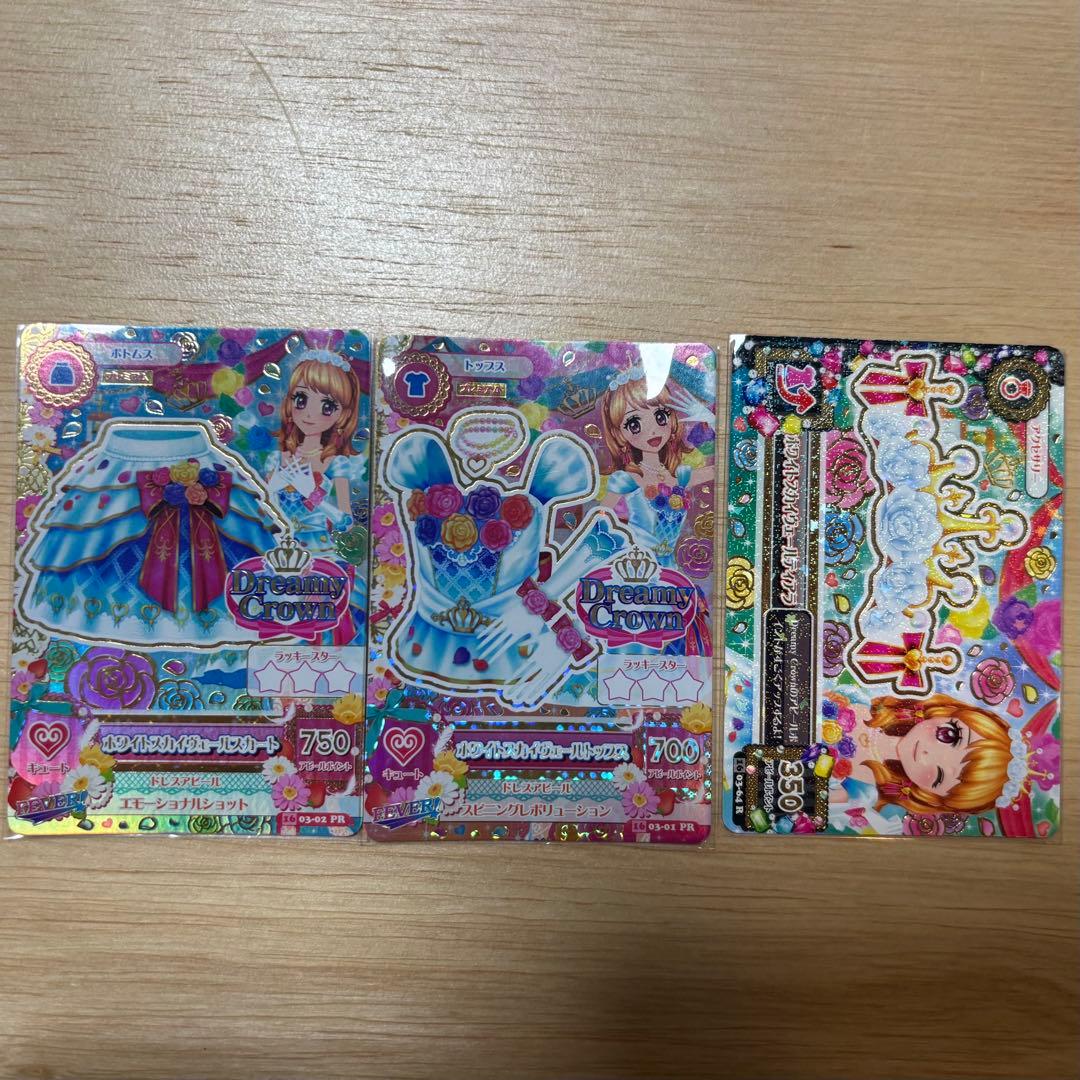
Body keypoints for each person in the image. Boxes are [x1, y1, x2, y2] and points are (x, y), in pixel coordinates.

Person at [849, 694, 1012, 814]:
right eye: (948, 735)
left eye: (939, 777)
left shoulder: (867, 789)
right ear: (947, 713)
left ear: (929, 795)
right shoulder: (878, 706)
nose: (926, 753)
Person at [266, 350, 360, 555]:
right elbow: (261, 509)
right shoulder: (277, 459)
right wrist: (271, 491)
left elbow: (346, 523)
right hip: (278, 544)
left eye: (327, 406)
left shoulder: (335, 463)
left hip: (319, 548)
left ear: (342, 415)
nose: (309, 414)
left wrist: (311, 494)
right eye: (301, 399)